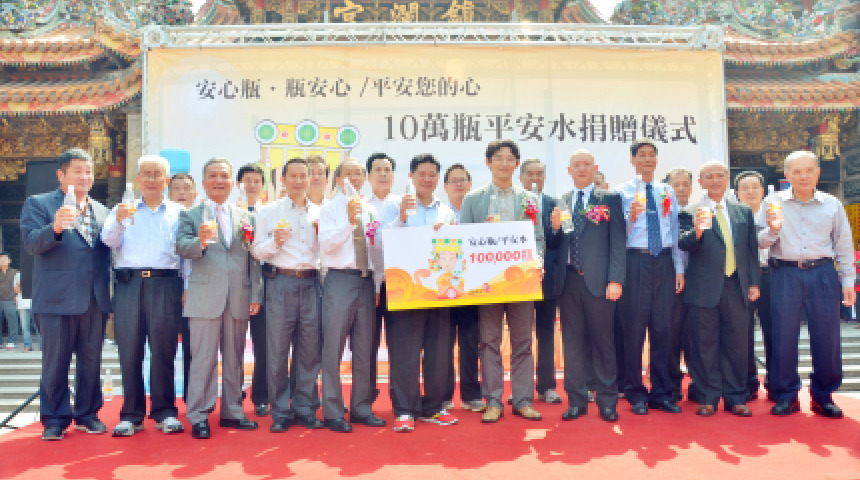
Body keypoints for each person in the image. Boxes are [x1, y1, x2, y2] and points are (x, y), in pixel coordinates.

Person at [20, 148, 112, 440]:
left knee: (91, 361)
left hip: (94, 299)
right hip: (55, 299)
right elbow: (31, 244)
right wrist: (56, 227)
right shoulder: (39, 204)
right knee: (55, 362)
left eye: (89, 171)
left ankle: (87, 414)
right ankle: (55, 419)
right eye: (78, 171)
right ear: (61, 175)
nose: (85, 176)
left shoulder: (102, 210)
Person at [759, 150, 855, 418]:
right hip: (784, 273)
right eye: (797, 171)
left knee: (827, 337)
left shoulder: (832, 204)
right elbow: (757, 241)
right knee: (782, 336)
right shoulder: (773, 202)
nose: (803, 176)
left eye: (808, 170)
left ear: (818, 173)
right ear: (787, 175)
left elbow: (843, 244)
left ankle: (823, 396)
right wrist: (773, 230)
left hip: (822, 273)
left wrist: (848, 280)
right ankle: (786, 395)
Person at [176, 157, 263, 439]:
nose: (219, 181)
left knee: (235, 357)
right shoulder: (191, 215)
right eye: (213, 175)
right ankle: (199, 415)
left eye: (224, 176)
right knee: (203, 358)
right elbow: (181, 247)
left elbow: (253, 259)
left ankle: (233, 412)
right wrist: (200, 242)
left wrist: (255, 293)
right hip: (204, 296)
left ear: (232, 183)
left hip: (238, 295)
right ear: (203, 182)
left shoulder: (246, 217)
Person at [460, 139, 544, 423]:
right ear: (488, 163)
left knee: (523, 342)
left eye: (509, 158)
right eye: (498, 158)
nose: (504, 163)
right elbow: (463, 240)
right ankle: (493, 400)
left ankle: (522, 400)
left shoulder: (530, 199)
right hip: (488, 283)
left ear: (517, 164)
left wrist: (538, 262)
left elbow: (539, 239)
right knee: (489, 342)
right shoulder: (473, 199)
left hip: (522, 281)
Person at [101, 155, 185, 436]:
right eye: (146, 174)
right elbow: (108, 241)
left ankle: (165, 411)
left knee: (164, 350)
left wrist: (185, 289)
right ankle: (131, 415)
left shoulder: (179, 213)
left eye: (157, 174)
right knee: (130, 351)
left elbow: (186, 257)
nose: (151, 179)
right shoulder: (121, 210)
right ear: (137, 179)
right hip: (129, 285)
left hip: (166, 284)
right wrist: (119, 222)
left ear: (166, 180)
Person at [547, 150, 625, 422]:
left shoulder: (609, 199)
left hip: (600, 282)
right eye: (576, 165)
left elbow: (618, 242)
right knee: (572, 345)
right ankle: (576, 401)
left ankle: (607, 401)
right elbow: (555, 244)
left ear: (595, 168)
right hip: (569, 281)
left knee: (604, 344)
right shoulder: (562, 200)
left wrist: (615, 280)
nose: (581, 169)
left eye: (586, 165)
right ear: (569, 170)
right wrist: (554, 229)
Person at [679, 161, 760, 417]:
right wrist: (698, 230)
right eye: (709, 176)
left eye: (720, 175)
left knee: (737, 344)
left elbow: (751, 250)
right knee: (704, 344)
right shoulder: (689, 211)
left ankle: (736, 397)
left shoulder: (742, 211)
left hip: (736, 285)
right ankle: (708, 397)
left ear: (727, 179)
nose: (715, 180)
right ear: (701, 182)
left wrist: (754, 282)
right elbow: (683, 244)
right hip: (703, 288)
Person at [387, 154, 458, 432]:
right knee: (405, 351)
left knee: (438, 351)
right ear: (411, 176)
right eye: (421, 174)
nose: (427, 179)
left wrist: (448, 234)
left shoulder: (447, 212)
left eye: (432, 175)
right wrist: (402, 218)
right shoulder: (395, 205)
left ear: (438, 178)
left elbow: (456, 249)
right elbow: (381, 240)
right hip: (406, 290)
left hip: (439, 291)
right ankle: (405, 410)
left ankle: (434, 407)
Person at [251, 158, 324, 432]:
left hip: (312, 283)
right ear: (282, 180)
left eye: (303, 176)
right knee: (278, 350)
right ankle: (280, 411)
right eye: (292, 175)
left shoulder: (320, 212)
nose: (298, 181)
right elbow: (256, 251)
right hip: (280, 282)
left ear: (310, 179)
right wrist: (275, 241)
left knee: (309, 350)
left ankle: (305, 408)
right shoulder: (269, 212)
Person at [614, 138, 684, 415]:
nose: (647, 159)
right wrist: (630, 218)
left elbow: (674, 230)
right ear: (632, 160)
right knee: (634, 330)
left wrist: (679, 268)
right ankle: (635, 392)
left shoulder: (666, 190)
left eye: (651, 155)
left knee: (662, 330)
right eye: (641, 155)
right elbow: (617, 236)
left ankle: (661, 393)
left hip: (664, 262)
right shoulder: (621, 192)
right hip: (636, 261)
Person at [318, 159, 385, 432]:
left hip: (366, 282)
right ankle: (333, 411)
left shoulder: (370, 210)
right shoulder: (328, 209)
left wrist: (377, 286)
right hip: (340, 279)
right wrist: (349, 221)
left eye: (358, 174)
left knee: (364, 348)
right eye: (349, 174)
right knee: (333, 347)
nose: (354, 178)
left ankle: (361, 408)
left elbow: (375, 252)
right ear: (338, 179)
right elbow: (326, 246)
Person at [519, 158, 562, 405]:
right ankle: (521, 389)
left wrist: (556, 229)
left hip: (547, 279)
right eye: (530, 174)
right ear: (521, 177)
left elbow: (560, 241)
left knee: (546, 333)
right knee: (521, 336)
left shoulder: (556, 203)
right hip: (519, 280)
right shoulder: (515, 202)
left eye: (539, 174)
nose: (535, 178)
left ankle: (547, 386)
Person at [442, 164, 484, 412]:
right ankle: (443, 395)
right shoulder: (438, 213)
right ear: (445, 186)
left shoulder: (480, 212)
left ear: (470, 184)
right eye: (453, 180)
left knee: (470, 342)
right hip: (443, 289)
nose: (458, 184)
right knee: (443, 344)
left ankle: (471, 395)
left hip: (472, 287)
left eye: (463, 180)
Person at [365, 152, 400, 405]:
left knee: (400, 344)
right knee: (367, 344)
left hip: (398, 284)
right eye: (378, 169)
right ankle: (365, 397)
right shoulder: (360, 207)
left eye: (387, 169)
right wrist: (375, 285)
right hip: (368, 284)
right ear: (368, 176)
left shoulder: (403, 206)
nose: (383, 174)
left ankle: (400, 398)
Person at [735, 170, 772, 401]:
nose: (750, 192)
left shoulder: (775, 213)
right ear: (737, 193)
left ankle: (775, 382)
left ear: (762, 190)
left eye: (754, 187)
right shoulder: (733, 215)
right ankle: (748, 382)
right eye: (745, 188)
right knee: (743, 332)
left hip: (772, 275)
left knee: (774, 331)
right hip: (744, 278)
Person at [237, 163, 270, 417]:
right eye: (247, 180)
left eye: (256, 181)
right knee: (233, 345)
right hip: (234, 287)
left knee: (263, 345)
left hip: (264, 288)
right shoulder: (228, 213)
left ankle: (261, 396)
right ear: (238, 184)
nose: (251, 185)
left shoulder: (269, 214)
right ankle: (234, 393)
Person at [168, 172, 196, 404]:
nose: (181, 192)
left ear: (194, 193)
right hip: (166, 285)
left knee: (192, 346)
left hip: (193, 289)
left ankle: (192, 397)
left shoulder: (199, 218)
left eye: (186, 188)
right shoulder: (165, 217)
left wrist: (187, 287)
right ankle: (164, 401)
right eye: (177, 188)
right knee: (164, 345)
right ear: (169, 193)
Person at [665, 167, 693, 402]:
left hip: (700, 282)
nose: (681, 188)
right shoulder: (663, 214)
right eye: (676, 184)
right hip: (672, 281)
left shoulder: (700, 211)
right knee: (671, 335)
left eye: (686, 184)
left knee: (697, 336)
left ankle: (699, 383)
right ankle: (672, 385)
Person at [0, 252, 20, 350]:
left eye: (5, 258)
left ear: (9, 261)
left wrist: (16, 296)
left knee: (12, 322)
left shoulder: (15, 272)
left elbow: (19, 286)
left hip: (10, 299)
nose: (2, 260)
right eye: (1, 259)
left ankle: (11, 341)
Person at [14, 270, 37, 351]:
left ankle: (43, 346)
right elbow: (16, 290)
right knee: (25, 327)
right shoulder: (18, 275)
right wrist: (20, 284)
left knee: (39, 326)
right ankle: (27, 346)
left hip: (36, 302)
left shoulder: (37, 272)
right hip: (23, 303)